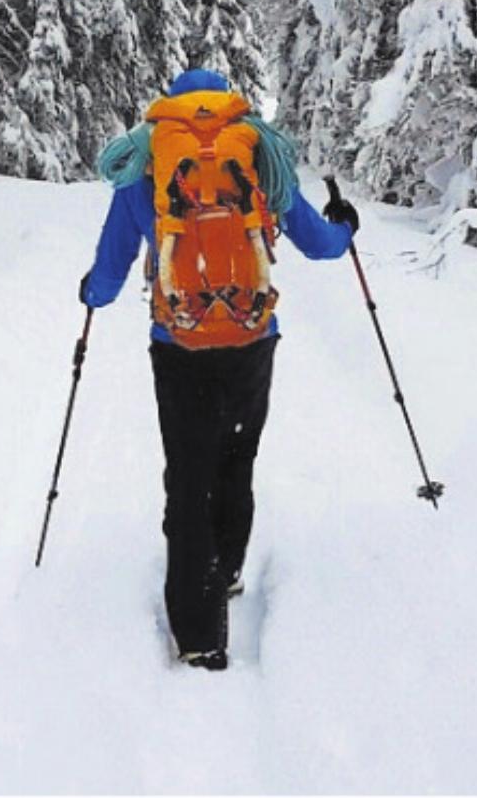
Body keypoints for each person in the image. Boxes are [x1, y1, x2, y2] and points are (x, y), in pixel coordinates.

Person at [80, 67, 359, 671]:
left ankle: (199, 630)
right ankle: (227, 569)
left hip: (178, 343)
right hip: (252, 337)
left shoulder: (145, 161)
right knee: (236, 458)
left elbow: (110, 267)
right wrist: (346, 225)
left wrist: (92, 296)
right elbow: (320, 244)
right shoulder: (259, 154)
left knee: (188, 472)